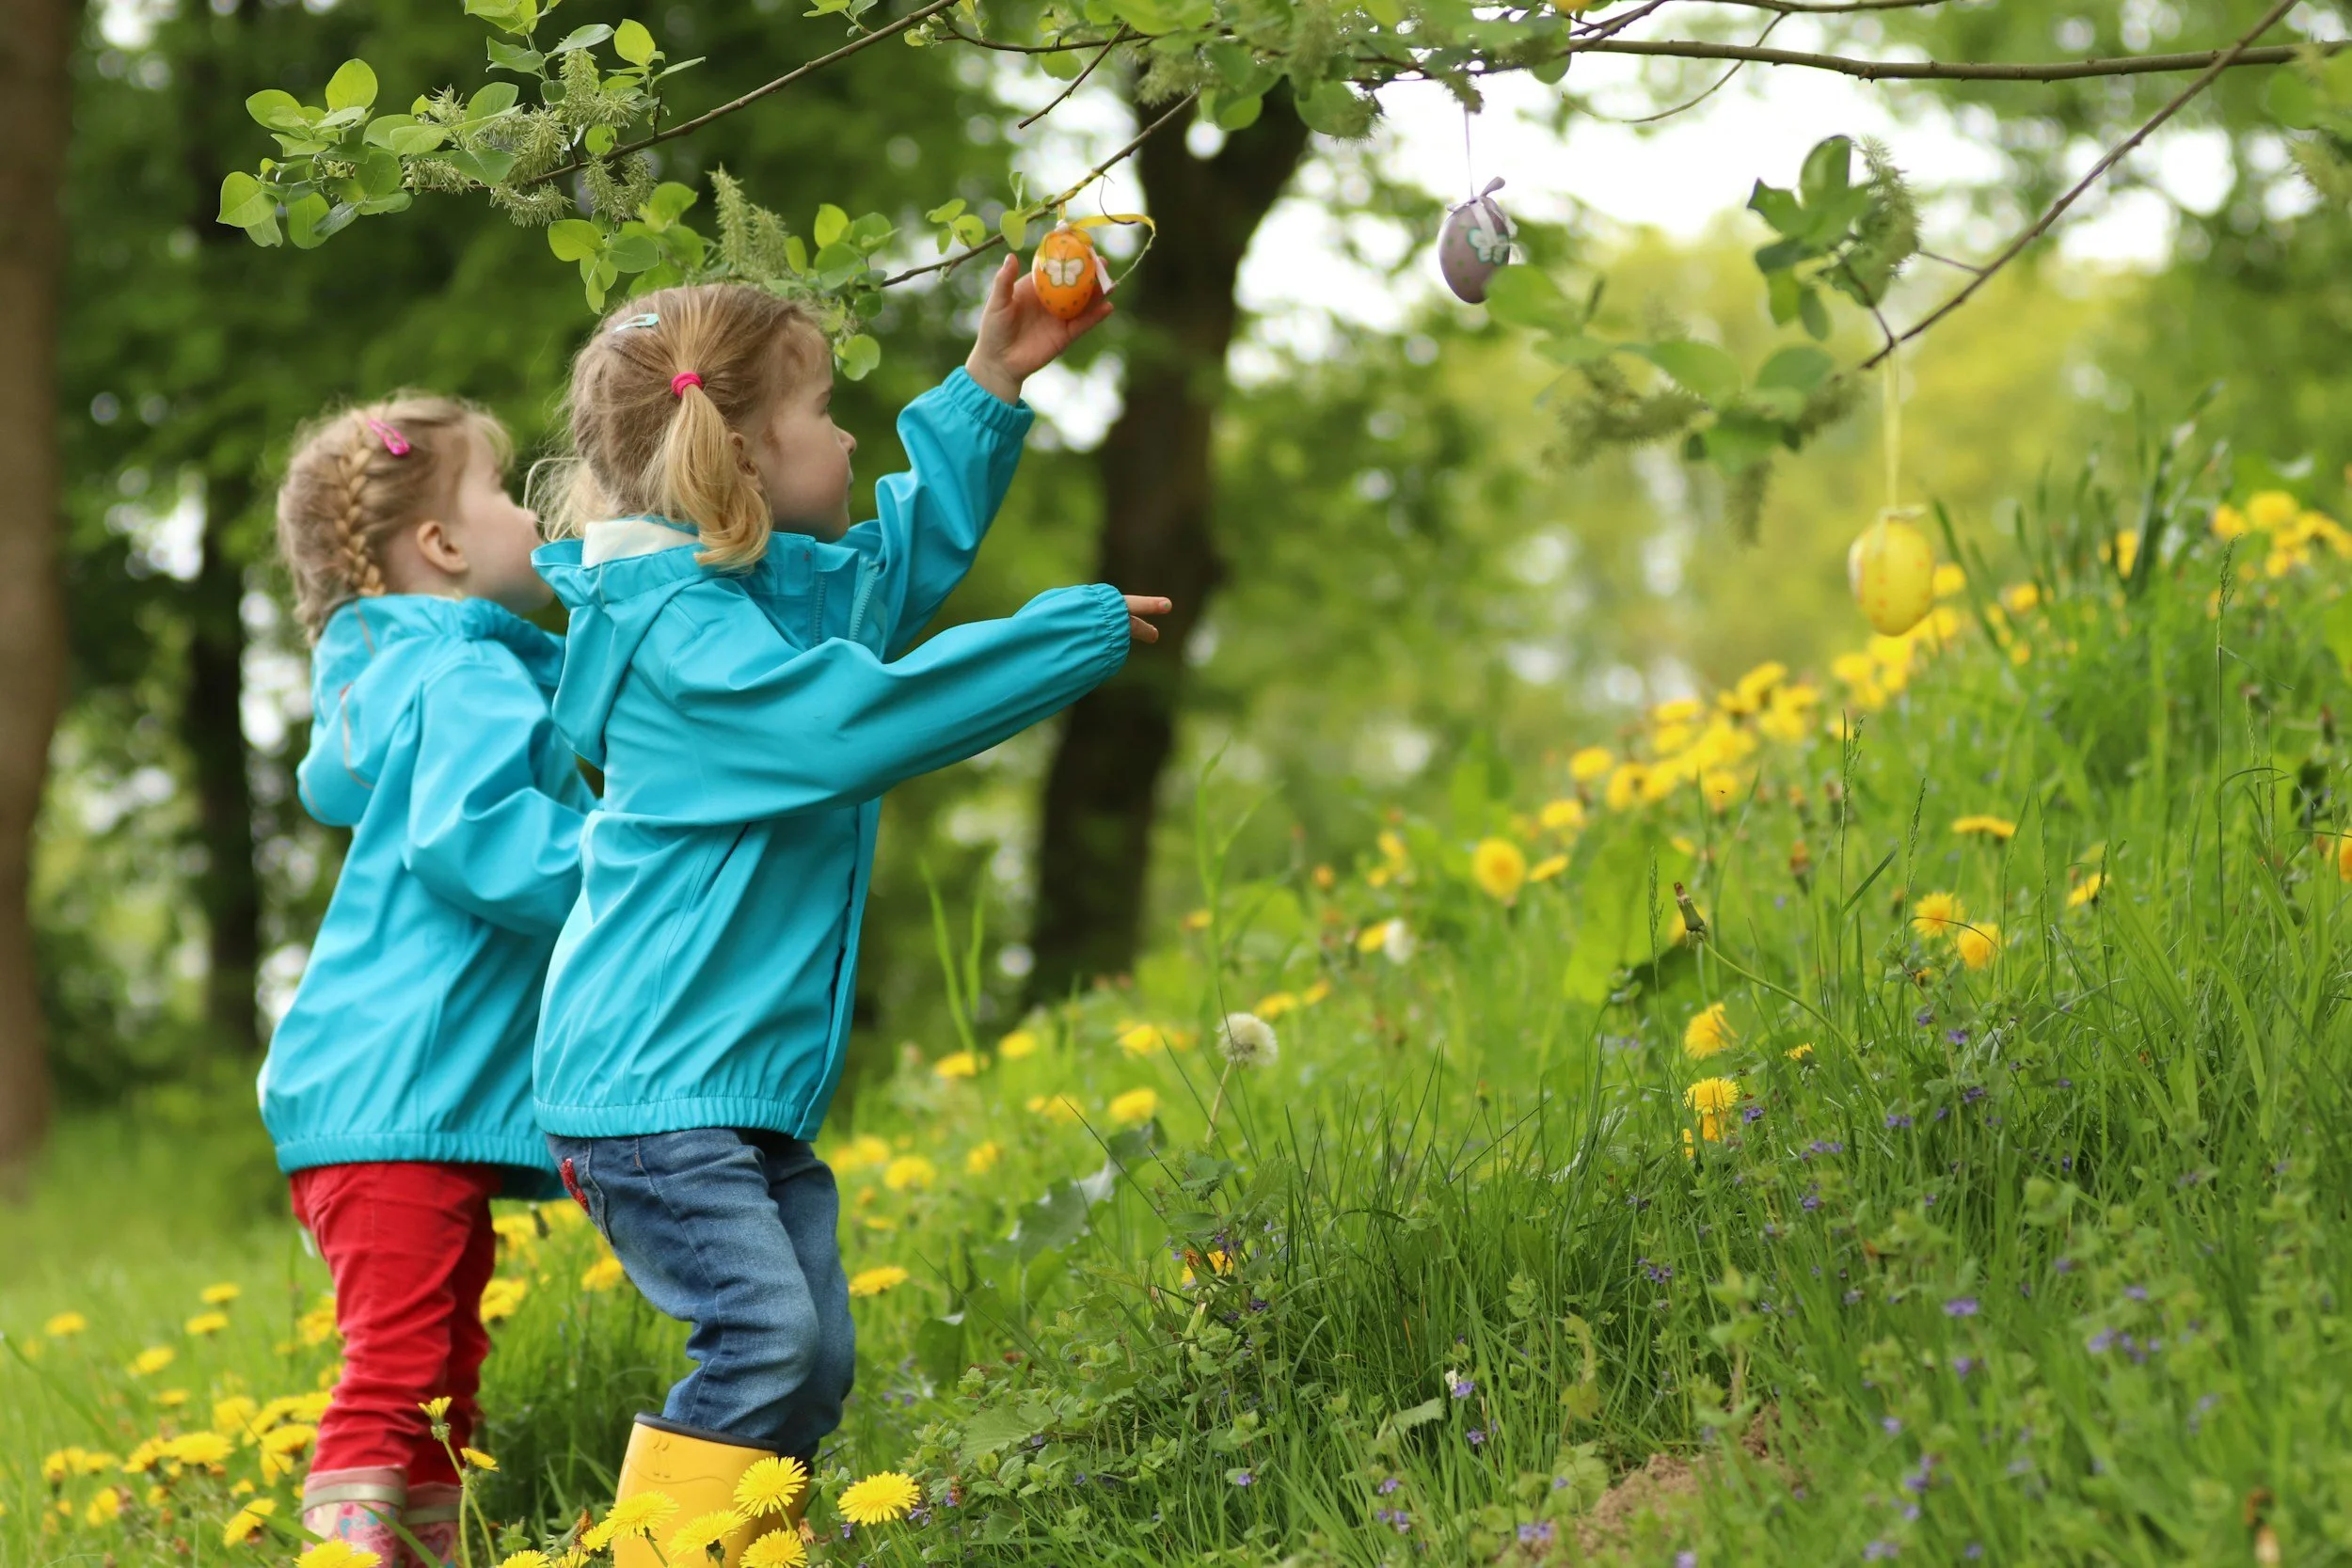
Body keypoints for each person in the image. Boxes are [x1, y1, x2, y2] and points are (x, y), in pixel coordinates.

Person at [532, 260, 1166, 1564]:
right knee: (770, 1338)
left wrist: (990, 382)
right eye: (824, 416)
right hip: (651, 1091)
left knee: (810, 1368)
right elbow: (849, 721)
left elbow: (880, 578)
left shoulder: (751, 603)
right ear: (746, 462)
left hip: (723, 1087)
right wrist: (1067, 633)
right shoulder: (689, 650)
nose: (846, 438)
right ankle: (655, 1555)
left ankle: (744, 1545)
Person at [262, 394, 591, 1567]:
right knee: (397, 1369)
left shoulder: (415, 682)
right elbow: (476, 836)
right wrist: (616, 861)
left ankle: (422, 1549)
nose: (527, 512)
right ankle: (345, 1551)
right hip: (391, 1097)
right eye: (503, 492)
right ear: (442, 547)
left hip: (385, 1099)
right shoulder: (467, 680)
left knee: (445, 1364)